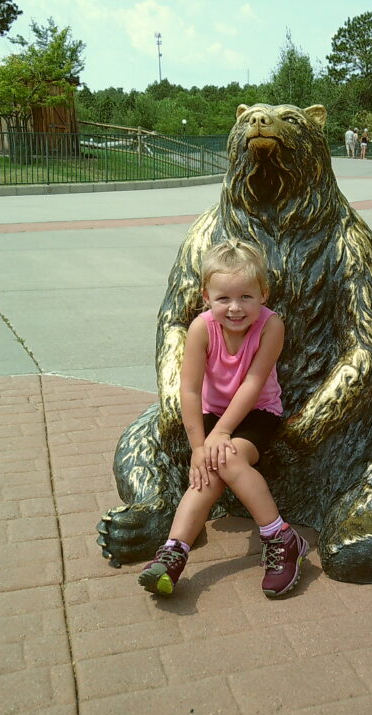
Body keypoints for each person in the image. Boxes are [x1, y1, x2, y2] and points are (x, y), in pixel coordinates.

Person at [138, 239, 309, 599]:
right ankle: (173, 553)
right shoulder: (201, 328)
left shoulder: (271, 326)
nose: (235, 308)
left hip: (257, 412)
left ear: (263, 293)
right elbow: (190, 391)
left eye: (246, 296)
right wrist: (199, 447)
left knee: (227, 456)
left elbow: (253, 382)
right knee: (207, 470)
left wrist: (224, 432)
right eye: (224, 298)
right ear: (206, 296)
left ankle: (280, 536)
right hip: (213, 415)